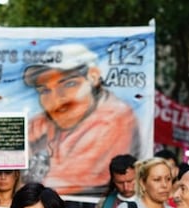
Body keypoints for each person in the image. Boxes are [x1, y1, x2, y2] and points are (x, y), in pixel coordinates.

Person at [23, 43, 140, 193]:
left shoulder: (114, 118)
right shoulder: (57, 115)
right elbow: (17, 143)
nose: (56, 99)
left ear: (93, 77)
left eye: (69, 84)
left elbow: (63, 182)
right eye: (45, 90)